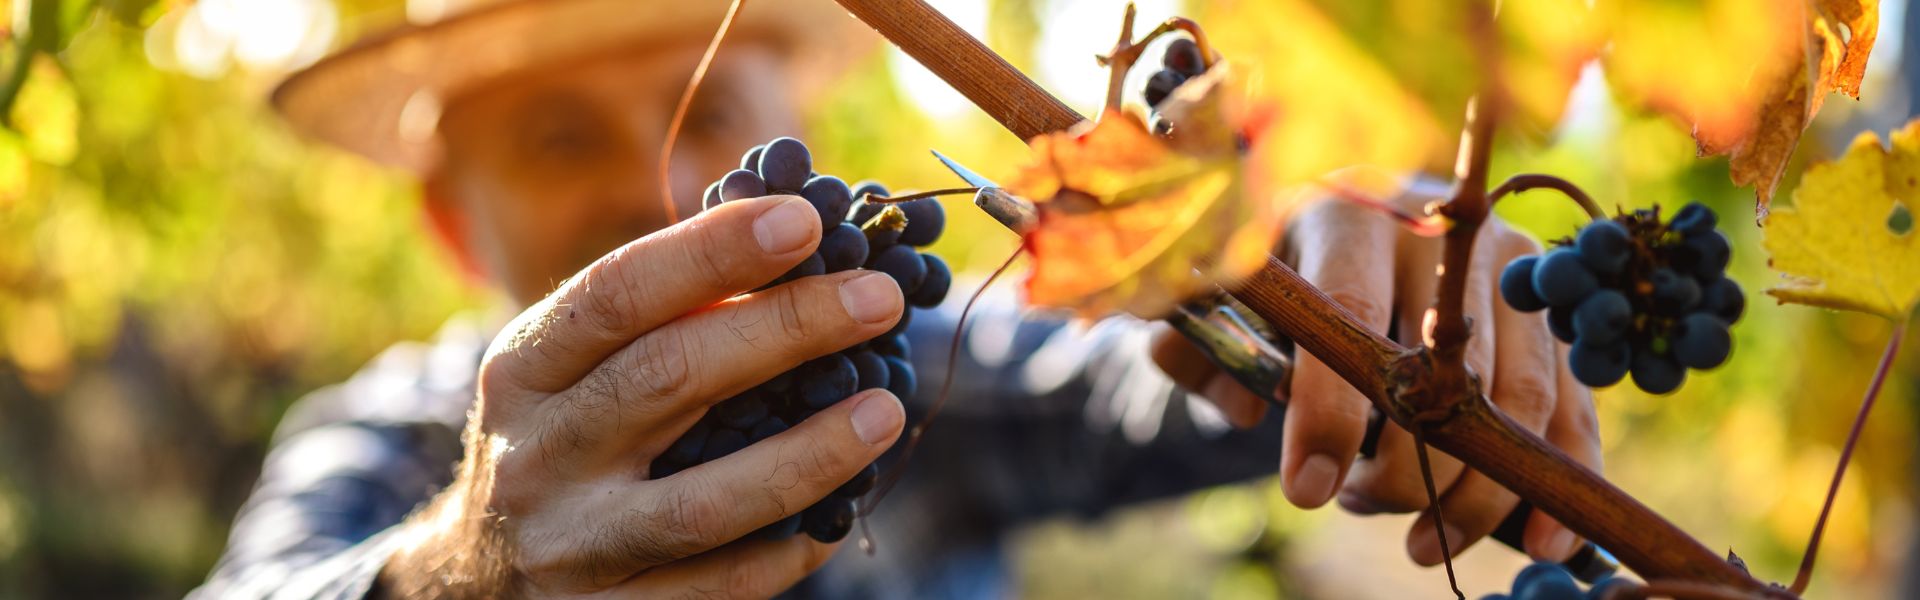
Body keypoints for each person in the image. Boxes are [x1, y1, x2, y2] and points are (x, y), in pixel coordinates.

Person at [191, 0, 1601, 597]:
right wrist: (457, 573)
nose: (660, 178)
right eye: (560, 138)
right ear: (451, 220)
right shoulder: (380, 443)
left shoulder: (911, 370)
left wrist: (1323, 288)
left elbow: (1130, 378)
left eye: (711, 116)